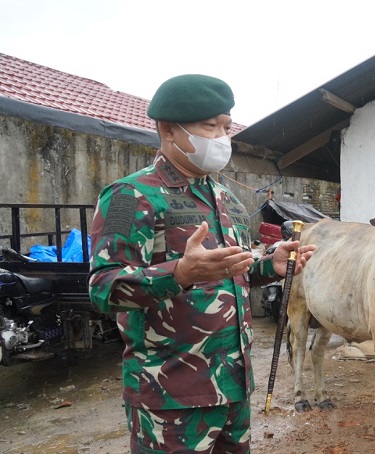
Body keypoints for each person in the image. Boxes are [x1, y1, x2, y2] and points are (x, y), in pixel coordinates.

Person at [88, 74, 315, 453]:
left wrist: (266, 267)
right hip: (170, 396)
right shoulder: (130, 195)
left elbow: (228, 273)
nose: (222, 136)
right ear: (168, 130)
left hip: (233, 388)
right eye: (210, 126)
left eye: (226, 126)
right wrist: (179, 274)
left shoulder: (225, 198)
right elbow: (103, 288)